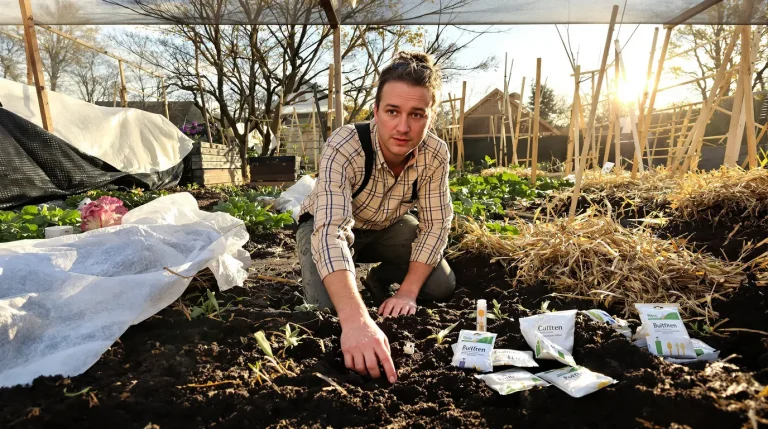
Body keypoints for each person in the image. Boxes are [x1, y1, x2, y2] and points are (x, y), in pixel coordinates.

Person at [296, 51, 455, 384]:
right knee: (327, 313)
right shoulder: (346, 144)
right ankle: (345, 284)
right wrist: (356, 320)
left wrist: (408, 292)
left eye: (417, 114)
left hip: (386, 229)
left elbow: (435, 225)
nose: (403, 127)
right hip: (327, 228)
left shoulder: (435, 154)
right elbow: (330, 233)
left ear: (430, 117)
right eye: (392, 111)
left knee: (440, 285)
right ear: (376, 112)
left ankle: (377, 279)